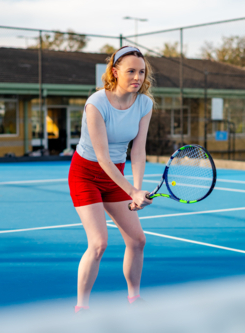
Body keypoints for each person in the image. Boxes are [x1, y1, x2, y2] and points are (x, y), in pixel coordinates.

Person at [68, 46, 154, 313]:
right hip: (86, 174)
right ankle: (82, 307)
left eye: (141, 72)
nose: (137, 77)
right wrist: (130, 190)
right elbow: (103, 158)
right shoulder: (96, 104)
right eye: (130, 71)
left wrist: (136, 190)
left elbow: (138, 151)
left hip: (114, 175)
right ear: (115, 72)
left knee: (138, 241)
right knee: (98, 244)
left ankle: (134, 297)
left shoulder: (144, 104)